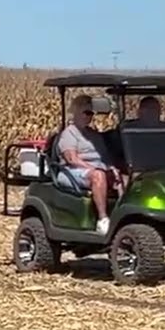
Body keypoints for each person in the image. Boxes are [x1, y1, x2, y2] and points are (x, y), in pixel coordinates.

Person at [58, 94, 121, 234]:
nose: (89, 117)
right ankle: (103, 219)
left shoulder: (94, 134)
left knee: (123, 176)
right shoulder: (69, 133)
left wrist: (112, 168)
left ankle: (122, 214)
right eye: (86, 113)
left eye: (91, 113)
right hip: (73, 170)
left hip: (95, 169)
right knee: (98, 176)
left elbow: (104, 157)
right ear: (76, 112)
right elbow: (72, 159)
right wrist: (94, 168)